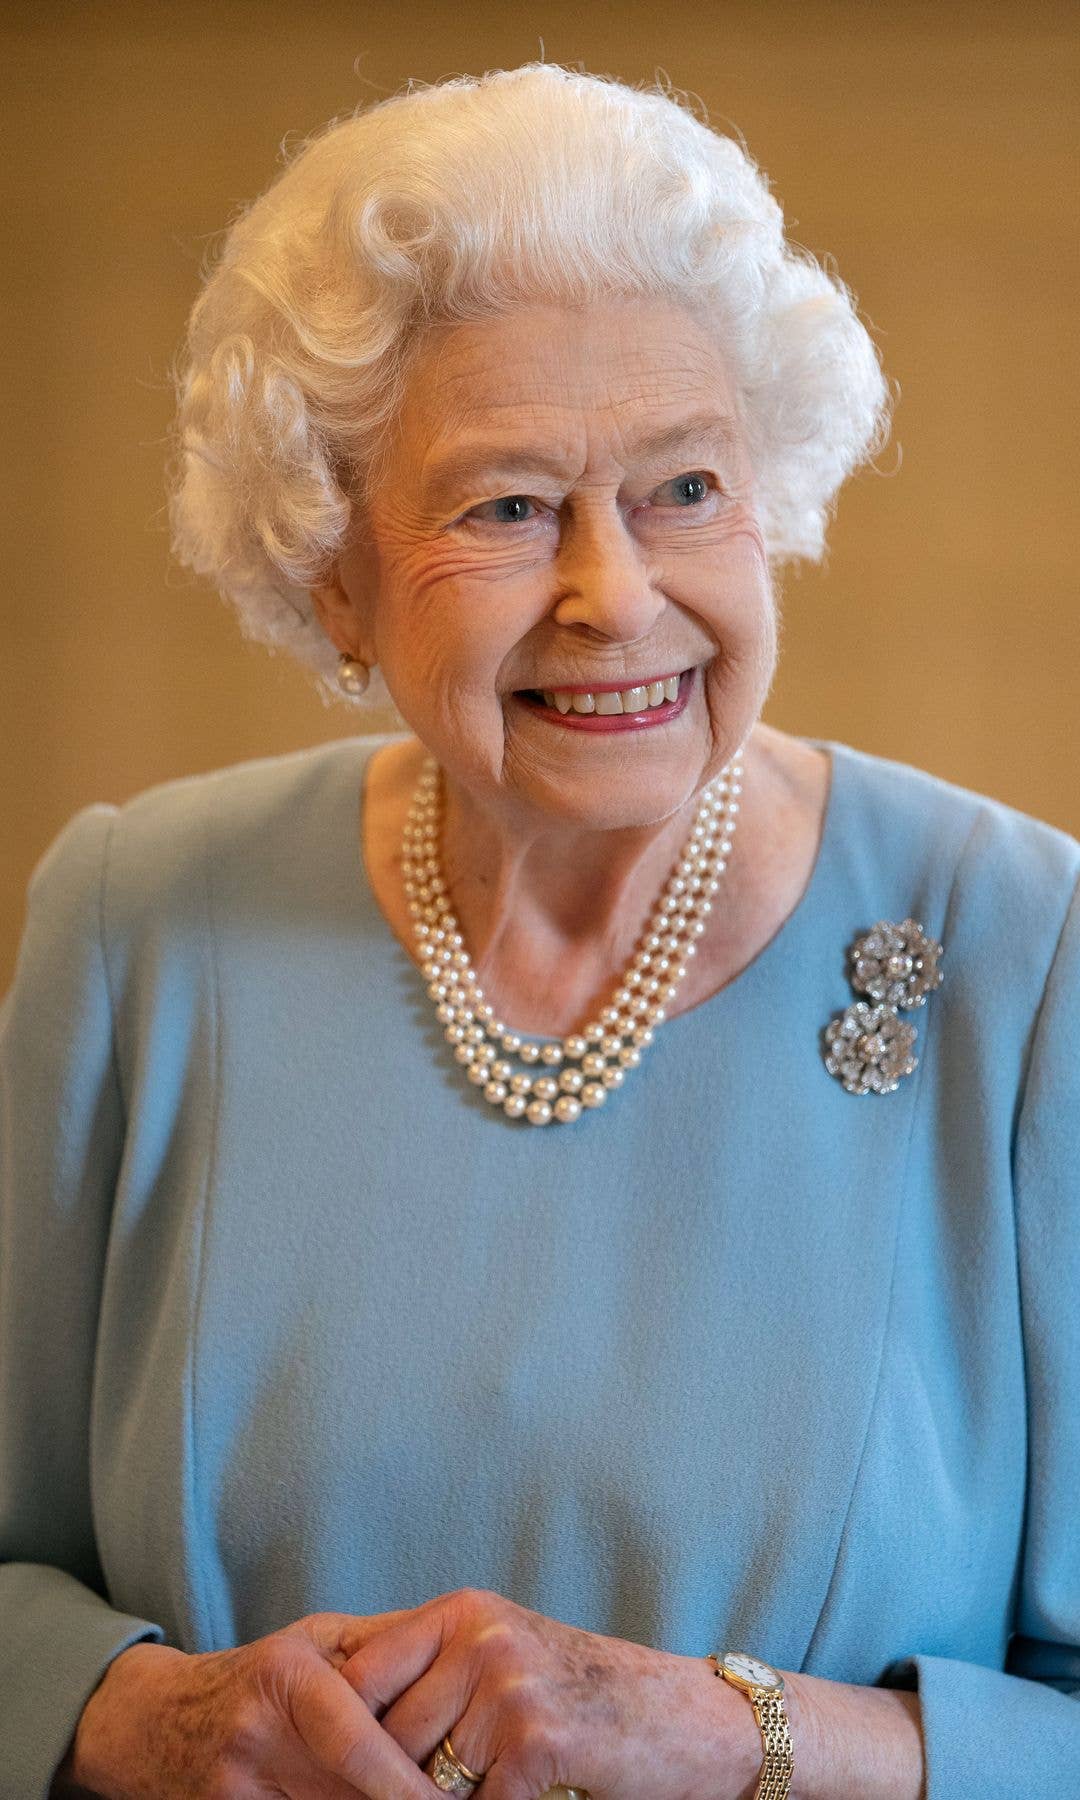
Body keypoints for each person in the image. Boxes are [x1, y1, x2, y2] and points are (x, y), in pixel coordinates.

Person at [1, 60, 1077, 1800]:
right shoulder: (139, 921)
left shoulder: (1028, 954)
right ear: (330, 571)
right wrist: (145, 1718)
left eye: (685, 489)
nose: (615, 592)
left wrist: (742, 1736)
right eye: (507, 506)